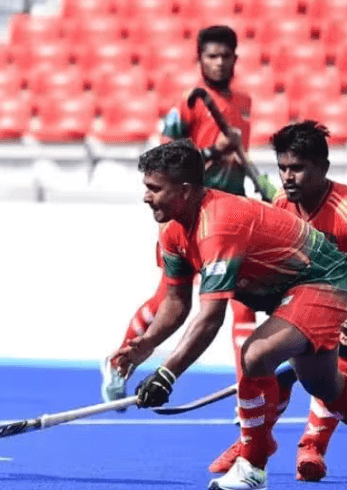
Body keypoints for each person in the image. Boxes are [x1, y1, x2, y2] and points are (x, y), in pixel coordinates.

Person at [112, 139, 347, 490]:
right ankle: (258, 449)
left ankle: (253, 465)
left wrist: (166, 375)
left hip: (322, 281)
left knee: (255, 354)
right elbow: (176, 302)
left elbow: (210, 319)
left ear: (185, 191)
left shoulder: (219, 225)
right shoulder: (172, 228)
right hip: (290, 291)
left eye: (154, 188)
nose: (146, 196)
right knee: (324, 386)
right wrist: (147, 345)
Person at [100, 25, 277, 414]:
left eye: (225, 55)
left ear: (235, 58)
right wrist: (214, 149)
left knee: (242, 306)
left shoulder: (244, 102)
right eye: (211, 56)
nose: (219, 62)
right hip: (189, 213)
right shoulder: (188, 104)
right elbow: (166, 160)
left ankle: (248, 393)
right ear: (199, 60)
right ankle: (120, 362)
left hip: (232, 216)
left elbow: (238, 158)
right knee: (169, 298)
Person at [207, 121, 346, 482]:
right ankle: (256, 443)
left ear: (323, 168)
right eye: (282, 167)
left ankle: (312, 444)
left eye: (297, 168)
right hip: (306, 307)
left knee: (329, 379)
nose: (288, 176)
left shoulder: (345, 211)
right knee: (271, 369)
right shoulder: (282, 205)